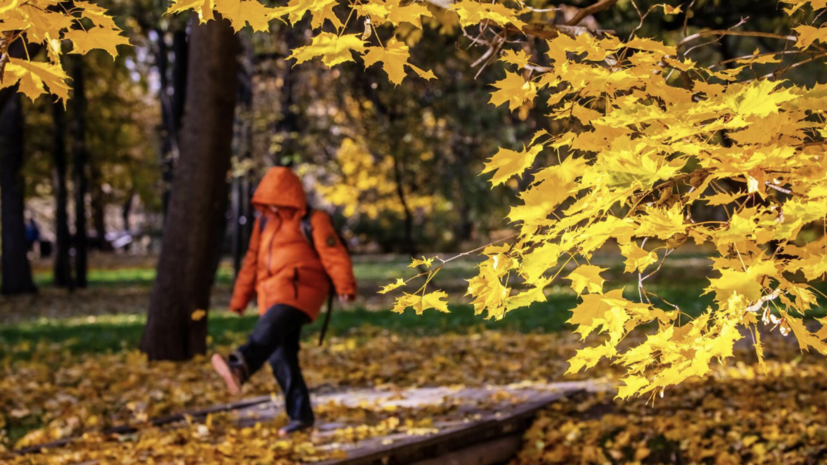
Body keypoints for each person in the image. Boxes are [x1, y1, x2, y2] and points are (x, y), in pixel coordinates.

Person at [211, 167, 356, 436]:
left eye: (277, 197)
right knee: (282, 357)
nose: (273, 204)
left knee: (269, 329)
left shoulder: (314, 219)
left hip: (301, 291)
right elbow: (252, 261)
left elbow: (333, 254)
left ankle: (240, 365)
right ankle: (300, 417)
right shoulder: (264, 223)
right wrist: (240, 298)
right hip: (270, 294)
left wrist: (344, 285)